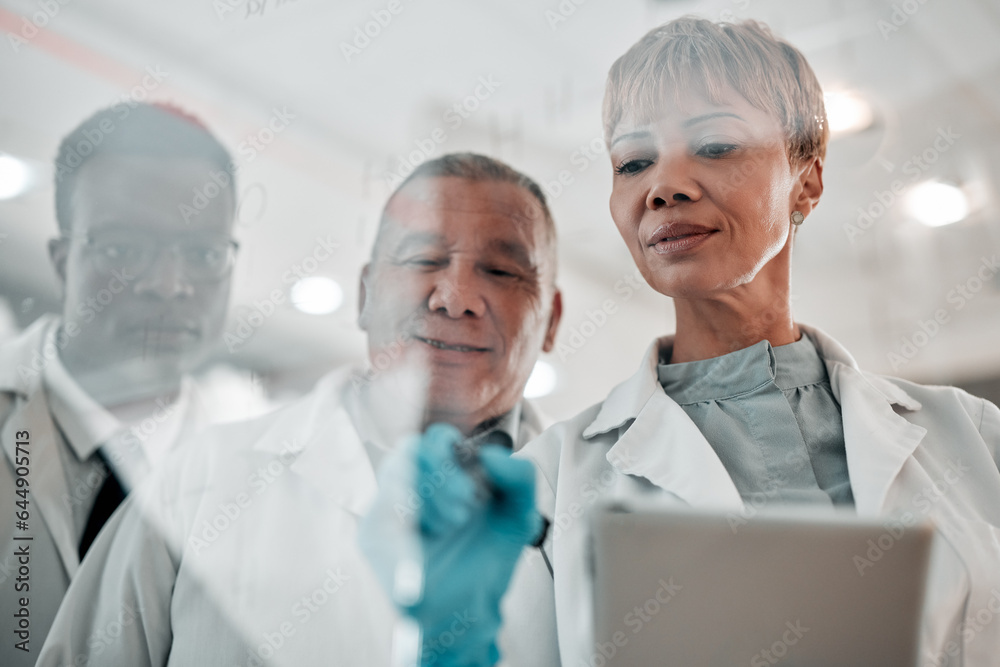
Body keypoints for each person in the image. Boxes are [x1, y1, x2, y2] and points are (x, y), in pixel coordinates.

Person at [363, 18, 1000, 667]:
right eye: (634, 161)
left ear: (806, 179)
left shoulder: (976, 437)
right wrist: (453, 630)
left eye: (717, 144)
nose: (663, 186)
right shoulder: (550, 485)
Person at [36, 153, 563, 666]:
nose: (455, 296)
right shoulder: (199, 480)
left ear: (553, 320)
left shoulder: (587, 516)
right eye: (422, 260)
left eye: (501, 270)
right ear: (364, 295)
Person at [0, 102, 238, 665]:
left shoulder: (254, 472)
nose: (167, 284)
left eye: (202, 253)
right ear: (62, 260)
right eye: (123, 249)